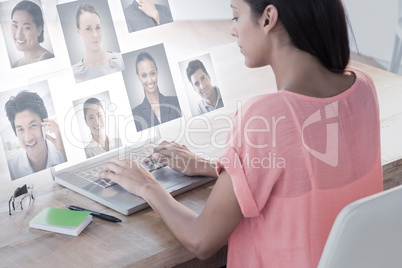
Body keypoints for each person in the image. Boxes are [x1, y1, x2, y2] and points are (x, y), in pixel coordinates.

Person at [98, 0, 383, 266]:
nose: (232, 29)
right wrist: (213, 168)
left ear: (268, 18)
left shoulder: (266, 116)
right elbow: (302, 173)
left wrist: (147, 184)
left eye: (236, 15)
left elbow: (201, 240)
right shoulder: (363, 88)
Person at [5, 91, 66, 180]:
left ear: (44, 125)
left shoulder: (62, 155)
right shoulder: (11, 169)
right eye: (20, 129)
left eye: (33, 126)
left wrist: (64, 154)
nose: (28, 137)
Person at [73, 3, 124, 83]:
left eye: (98, 27)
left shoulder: (121, 61)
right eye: (88, 28)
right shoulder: (73, 75)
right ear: (78, 31)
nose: (95, 35)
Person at [131, 52, 181, 132]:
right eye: (144, 75)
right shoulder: (135, 115)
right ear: (138, 76)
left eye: (152, 73)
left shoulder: (176, 102)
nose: (150, 80)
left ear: (157, 71)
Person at [10, 0, 54, 68]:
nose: (19, 35)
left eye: (26, 28)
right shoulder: (15, 65)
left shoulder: (47, 59)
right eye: (15, 25)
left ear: (38, 30)